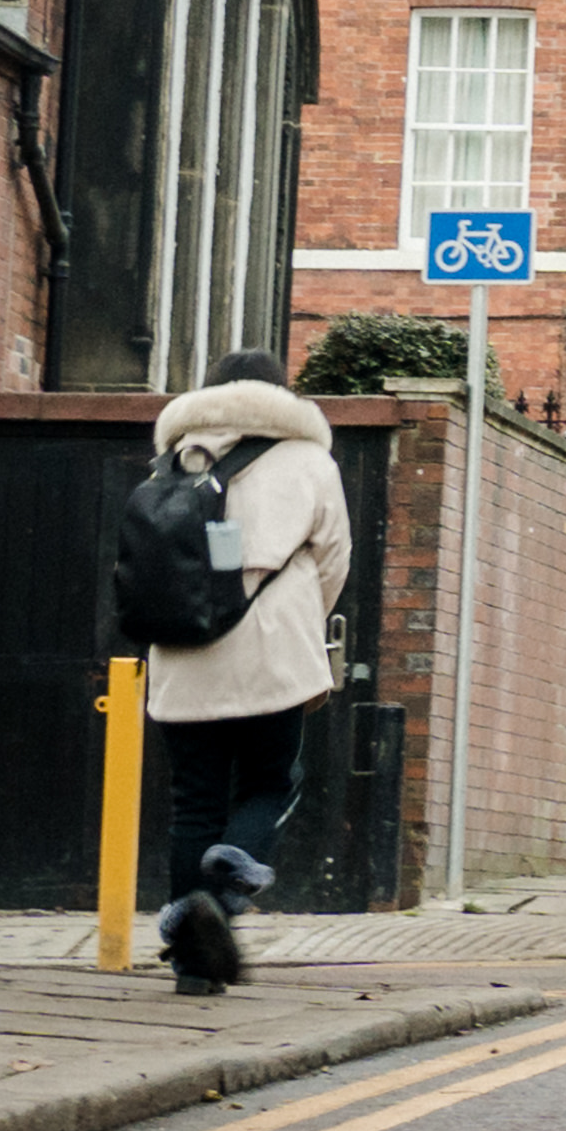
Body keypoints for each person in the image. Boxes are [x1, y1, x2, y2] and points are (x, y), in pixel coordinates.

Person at [136, 347, 347, 996]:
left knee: (192, 802)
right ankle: (225, 892)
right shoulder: (310, 461)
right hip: (274, 650)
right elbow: (333, 559)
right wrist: (305, 618)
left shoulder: (173, 460)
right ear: (283, 396)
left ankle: (192, 967)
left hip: (182, 648)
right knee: (270, 783)